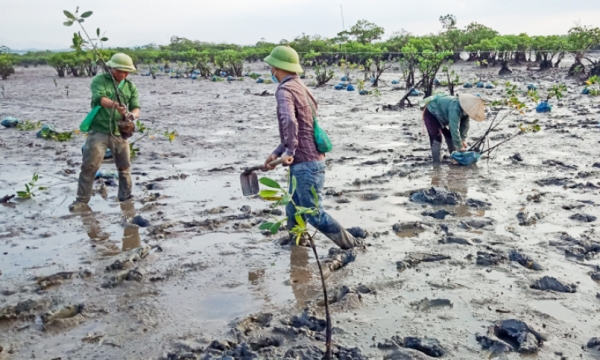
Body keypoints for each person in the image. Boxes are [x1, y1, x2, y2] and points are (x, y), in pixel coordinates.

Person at [262, 45, 361, 250]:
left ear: (276, 68)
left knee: (312, 213)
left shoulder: (284, 90)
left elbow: (290, 122)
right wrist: (277, 153)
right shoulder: (301, 87)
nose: (271, 70)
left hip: (305, 162)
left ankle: (352, 245)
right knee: (292, 207)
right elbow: (302, 128)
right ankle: (297, 246)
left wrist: (289, 152)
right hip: (311, 159)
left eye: (271, 66)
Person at [69, 53, 140, 212]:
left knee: (124, 167)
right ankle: (81, 201)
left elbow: (136, 107)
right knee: (90, 166)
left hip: (119, 133)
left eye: (127, 71)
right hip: (99, 132)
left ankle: (126, 197)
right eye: (121, 71)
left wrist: (131, 115)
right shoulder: (99, 81)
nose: (124, 74)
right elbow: (99, 98)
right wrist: (115, 105)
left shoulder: (130, 86)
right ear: (112, 68)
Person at [422, 93, 485, 163]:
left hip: (443, 116)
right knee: (437, 138)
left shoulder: (466, 112)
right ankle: (436, 163)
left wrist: (462, 140)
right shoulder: (455, 107)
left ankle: (454, 156)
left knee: (450, 136)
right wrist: (460, 146)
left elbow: (465, 126)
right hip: (431, 113)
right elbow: (454, 127)